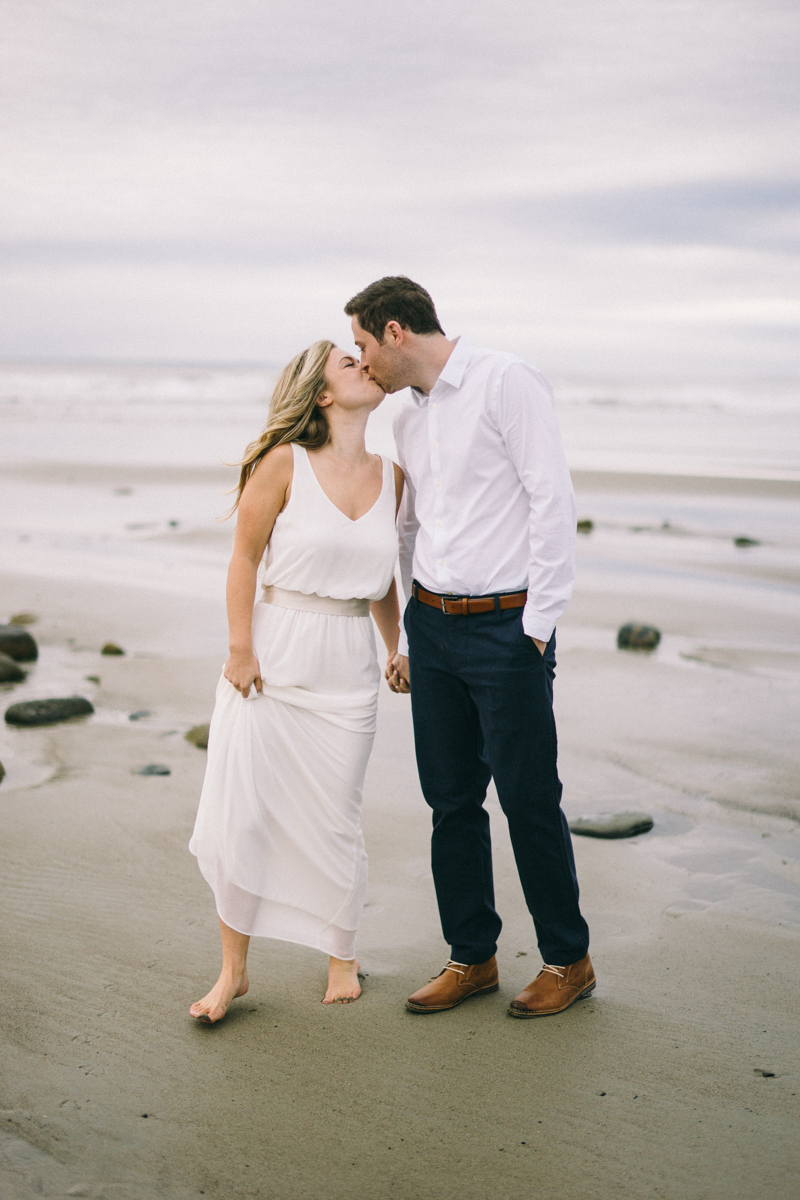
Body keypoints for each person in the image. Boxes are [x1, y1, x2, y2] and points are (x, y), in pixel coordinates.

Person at [345, 277, 594, 1018]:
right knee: (450, 801)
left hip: (506, 627)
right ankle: (471, 957)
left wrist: (537, 627)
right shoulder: (408, 422)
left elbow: (552, 498)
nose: (362, 365)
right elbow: (414, 528)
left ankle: (567, 959)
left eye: (362, 346)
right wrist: (413, 634)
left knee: (527, 798)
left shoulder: (505, 381)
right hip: (436, 628)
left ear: (395, 332)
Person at [189, 340, 403, 1022]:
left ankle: (342, 956)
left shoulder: (396, 477)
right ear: (322, 395)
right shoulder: (284, 464)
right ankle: (233, 973)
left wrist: (401, 646)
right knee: (244, 814)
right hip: (273, 661)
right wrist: (240, 648)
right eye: (348, 363)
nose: (364, 365)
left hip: (348, 667)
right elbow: (244, 558)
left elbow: (382, 583)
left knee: (337, 814)